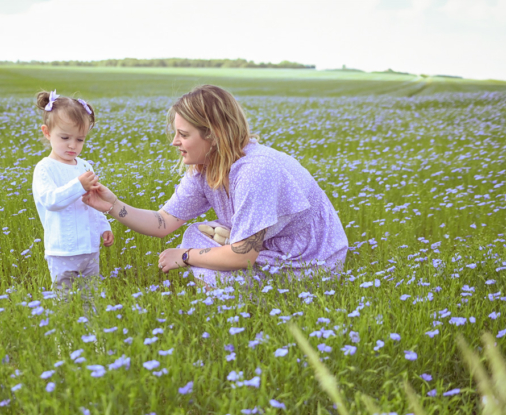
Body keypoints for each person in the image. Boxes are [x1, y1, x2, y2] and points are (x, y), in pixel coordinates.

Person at [82, 85, 347, 286]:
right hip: (266, 246)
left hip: (309, 257)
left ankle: (235, 315)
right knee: (198, 234)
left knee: (203, 254)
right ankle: (228, 297)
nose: (174, 142)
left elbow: (243, 256)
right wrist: (113, 206)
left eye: (183, 135)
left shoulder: (256, 171)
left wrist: (186, 256)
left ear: (214, 134)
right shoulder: (204, 168)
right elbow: (162, 223)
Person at [32, 91, 114, 296]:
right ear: (47, 132)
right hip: (62, 251)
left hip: (89, 248)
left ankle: (91, 327)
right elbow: (51, 200)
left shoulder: (84, 165)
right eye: (65, 137)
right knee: (65, 300)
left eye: (80, 139)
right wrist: (78, 185)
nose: (72, 145)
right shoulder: (45, 168)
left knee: (91, 298)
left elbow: (93, 201)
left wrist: (104, 226)